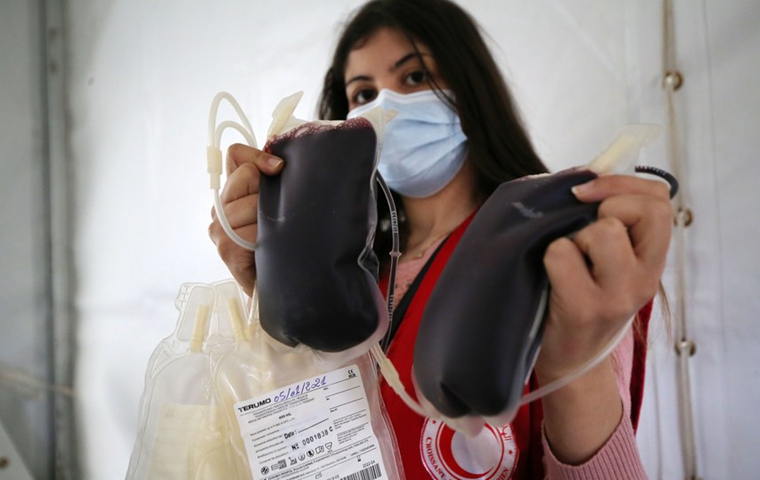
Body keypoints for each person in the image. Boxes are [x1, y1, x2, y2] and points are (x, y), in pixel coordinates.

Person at [209, 0, 672, 478]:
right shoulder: (354, 271)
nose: (385, 105)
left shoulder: (554, 251)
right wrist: (274, 290)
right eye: (363, 91)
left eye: (413, 77)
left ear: (472, 89)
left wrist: (575, 365)